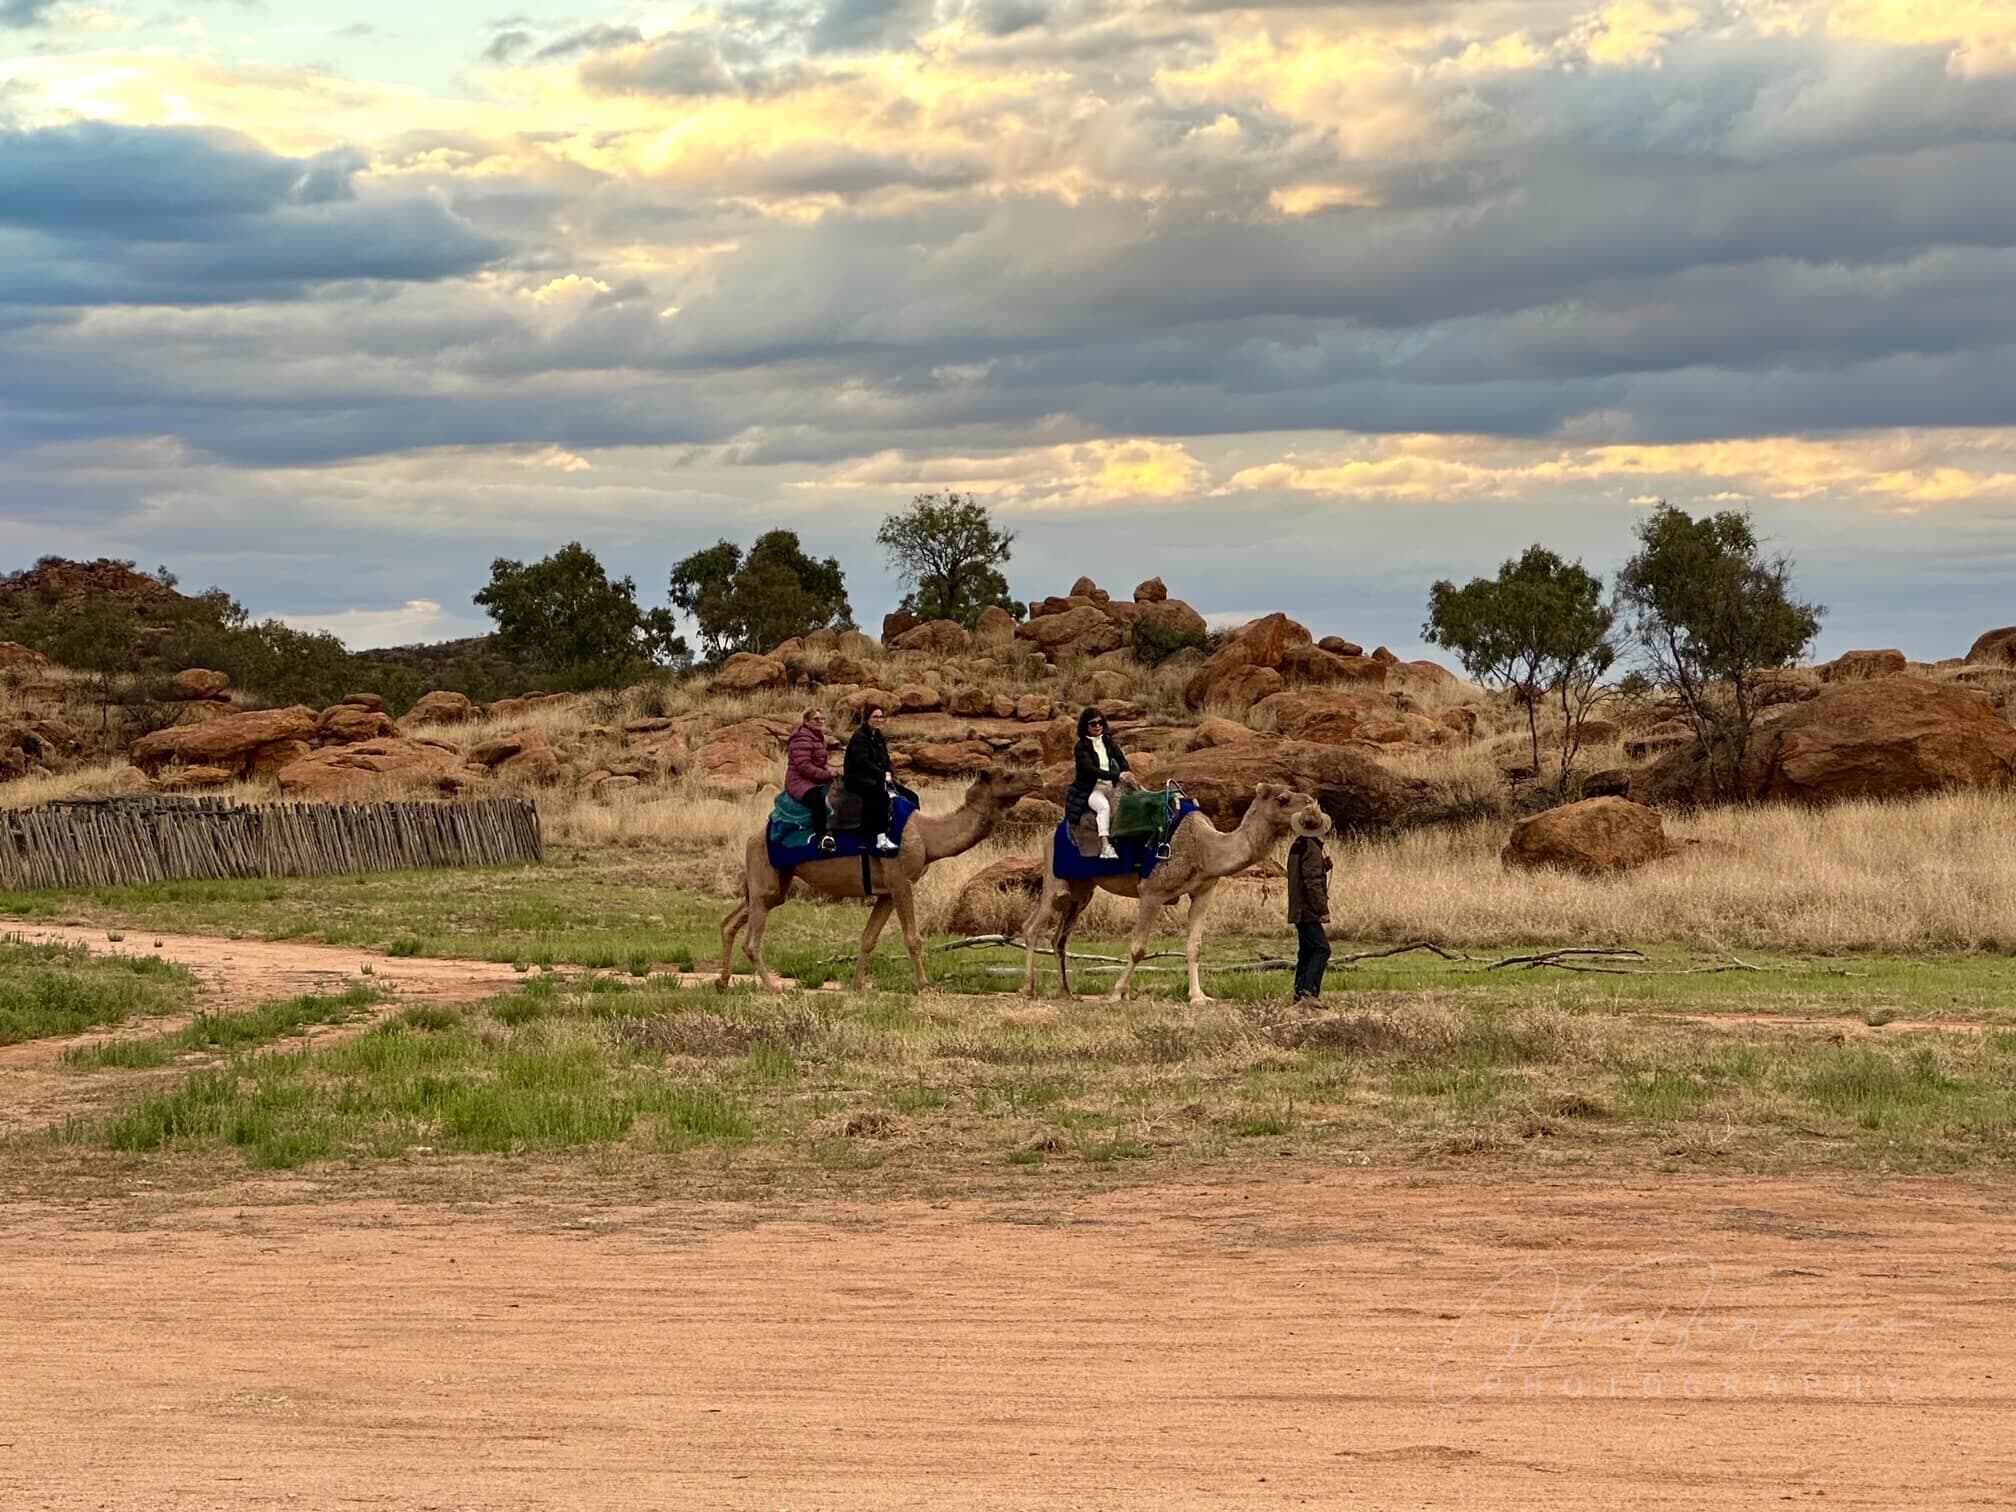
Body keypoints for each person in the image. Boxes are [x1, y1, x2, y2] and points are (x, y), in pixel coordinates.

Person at [1065, 707, 1137, 860]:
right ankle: (1105, 846)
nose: (1097, 726)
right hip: (1091, 790)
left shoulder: (1107, 740)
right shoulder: (1081, 747)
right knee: (1104, 807)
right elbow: (1092, 770)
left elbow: (1120, 757)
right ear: (1086, 726)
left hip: (1111, 787)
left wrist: (1126, 771)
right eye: (1093, 724)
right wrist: (1117, 775)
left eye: (1100, 722)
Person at [1286, 806, 1333, 1004]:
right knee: (1322, 949)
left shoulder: (1298, 845)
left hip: (1298, 907)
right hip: (1308, 909)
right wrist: (1322, 910)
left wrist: (1323, 866)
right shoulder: (1312, 849)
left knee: (1306, 949)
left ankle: (1300, 992)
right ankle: (1309, 992)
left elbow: (1302, 874)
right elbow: (1312, 882)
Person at [843, 703, 901, 855]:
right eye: (875, 716)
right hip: (857, 777)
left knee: (899, 793)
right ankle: (879, 837)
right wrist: (884, 776)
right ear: (867, 718)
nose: (878, 720)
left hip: (874, 776)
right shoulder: (859, 737)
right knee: (880, 794)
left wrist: (889, 773)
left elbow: (885, 759)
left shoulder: (878, 736)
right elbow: (863, 763)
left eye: (880, 717)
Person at [785, 707, 837, 853]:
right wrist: (827, 774)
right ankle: (823, 838)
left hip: (815, 778)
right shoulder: (801, 738)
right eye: (816, 719)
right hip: (799, 781)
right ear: (806, 722)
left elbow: (819, 763)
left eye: (822, 719)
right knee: (817, 799)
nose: (820, 721)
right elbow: (803, 766)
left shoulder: (818, 736)